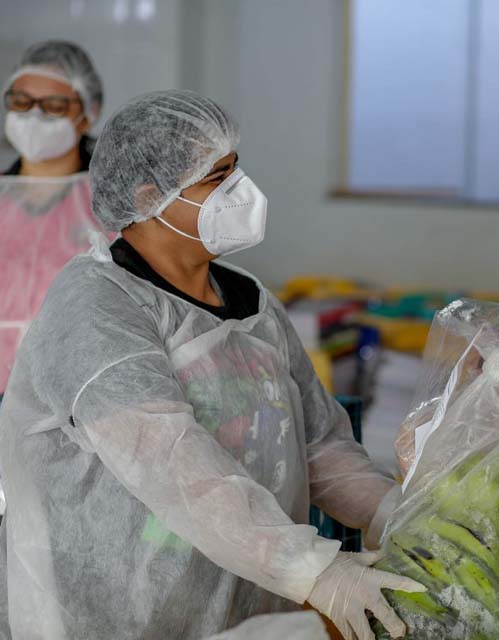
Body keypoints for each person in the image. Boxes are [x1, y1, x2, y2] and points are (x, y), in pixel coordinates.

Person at [0, 90, 422, 640]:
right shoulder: (95, 305)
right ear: (150, 196)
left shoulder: (252, 303)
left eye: (235, 169)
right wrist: (312, 569)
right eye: (215, 177)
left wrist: (396, 513)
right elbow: (169, 462)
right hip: (111, 612)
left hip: (244, 605)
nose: (239, 191)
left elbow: (318, 447)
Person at [0, 41, 106, 396]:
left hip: (78, 390)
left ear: (89, 110)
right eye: (20, 102)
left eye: (54, 105)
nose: (33, 116)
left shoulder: (112, 203)